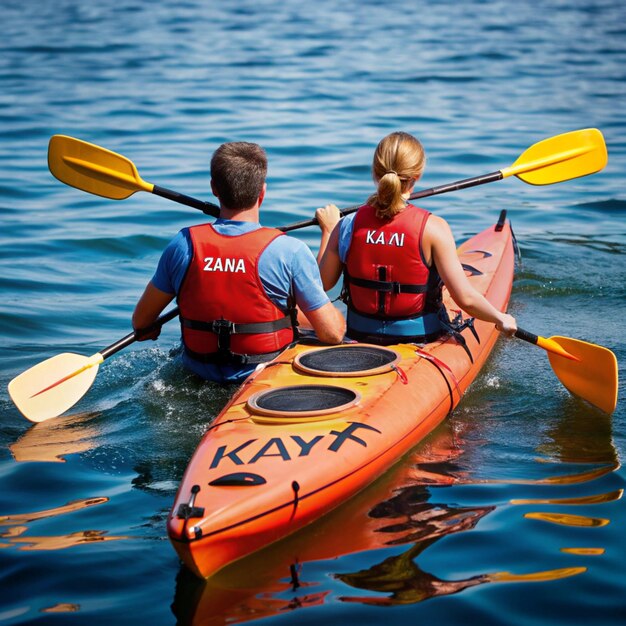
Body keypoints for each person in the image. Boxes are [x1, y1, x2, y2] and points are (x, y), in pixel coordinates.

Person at [132, 141, 346, 383]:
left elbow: (141, 322)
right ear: (262, 192)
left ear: (214, 188)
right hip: (263, 380)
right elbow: (332, 334)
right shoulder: (289, 250)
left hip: (196, 375)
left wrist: (151, 328)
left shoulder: (182, 244)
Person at [315, 131, 516, 345]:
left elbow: (322, 284)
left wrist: (329, 230)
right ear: (416, 176)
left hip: (359, 334)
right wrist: (500, 317)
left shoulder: (347, 225)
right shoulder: (433, 228)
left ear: (375, 172)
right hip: (419, 338)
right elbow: (465, 299)